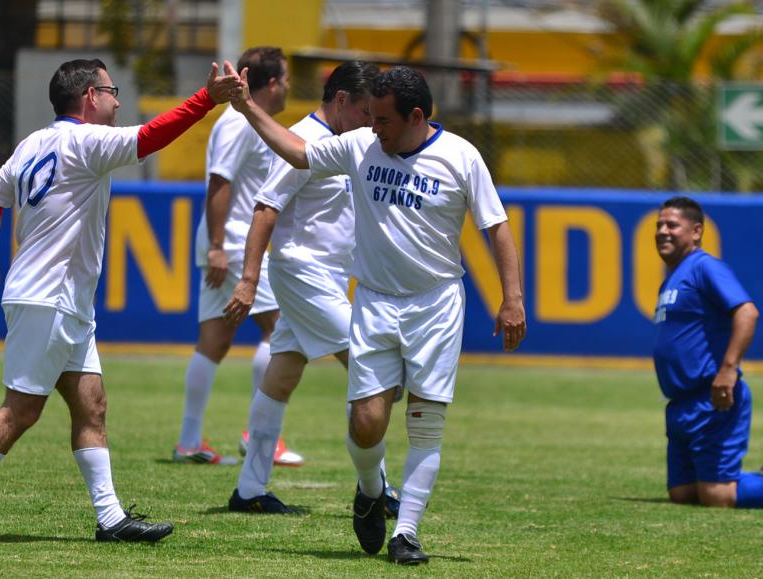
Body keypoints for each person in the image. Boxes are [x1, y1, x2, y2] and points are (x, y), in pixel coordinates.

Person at [0, 58, 240, 545]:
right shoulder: (85, 141)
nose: (117, 100)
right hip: (48, 297)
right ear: (90, 98)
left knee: (91, 406)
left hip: (62, 299)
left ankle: (111, 518)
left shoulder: (34, 141)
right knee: (20, 411)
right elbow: (152, 136)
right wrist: (206, 100)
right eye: (111, 90)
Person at [223, 64, 526, 564]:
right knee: (367, 423)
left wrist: (512, 297)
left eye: (382, 119)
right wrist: (246, 106)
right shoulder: (360, 145)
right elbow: (297, 150)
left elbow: (496, 228)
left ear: (414, 116)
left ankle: (405, 532)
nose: (373, 127)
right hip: (375, 302)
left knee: (425, 420)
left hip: (436, 305)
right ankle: (369, 489)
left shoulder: (460, 157)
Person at [222, 61, 399, 515]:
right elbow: (265, 208)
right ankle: (378, 490)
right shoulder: (306, 141)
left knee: (282, 376)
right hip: (304, 274)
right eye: (365, 112)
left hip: (327, 278)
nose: (370, 124)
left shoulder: (347, 144)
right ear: (341, 101)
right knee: (370, 368)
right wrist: (248, 278)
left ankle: (249, 491)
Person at [653, 196, 763, 510]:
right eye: (659, 225)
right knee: (683, 494)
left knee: (717, 496)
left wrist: (728, 369)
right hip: (681, 404)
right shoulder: (672, 278)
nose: (662, 231)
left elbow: (747, 313)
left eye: (672, 225)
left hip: (712, 397)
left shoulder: (705, 266)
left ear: (696, 231)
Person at [173, 46, 302, 468]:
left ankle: (190, 441)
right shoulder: (237, 124)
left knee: (215, 339)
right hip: (231, 244)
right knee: (279, 328)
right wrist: (216, 246)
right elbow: (219, 182)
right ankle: (259, 436)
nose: (288, 88)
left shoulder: (251, 123)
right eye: (285, 79)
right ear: (270, 84)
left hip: (224, 243)